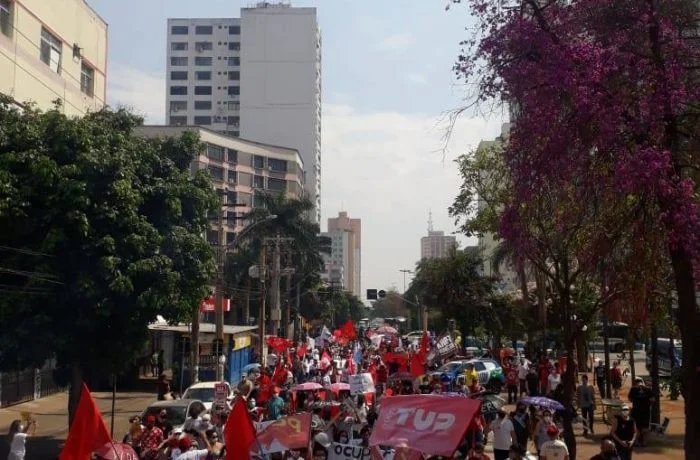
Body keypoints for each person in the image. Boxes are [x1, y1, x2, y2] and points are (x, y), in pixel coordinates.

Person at [627, 377, 653, 447]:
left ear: (635, 383)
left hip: (636, 410)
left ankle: (637, 442)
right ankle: (644, 442)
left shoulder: (633, 389)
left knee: (637, 426)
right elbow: (652, 399)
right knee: (645, 426)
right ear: (642, 382)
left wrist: (637, 400)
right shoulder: (648, 389)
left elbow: (630, 399)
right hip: (646, 410)